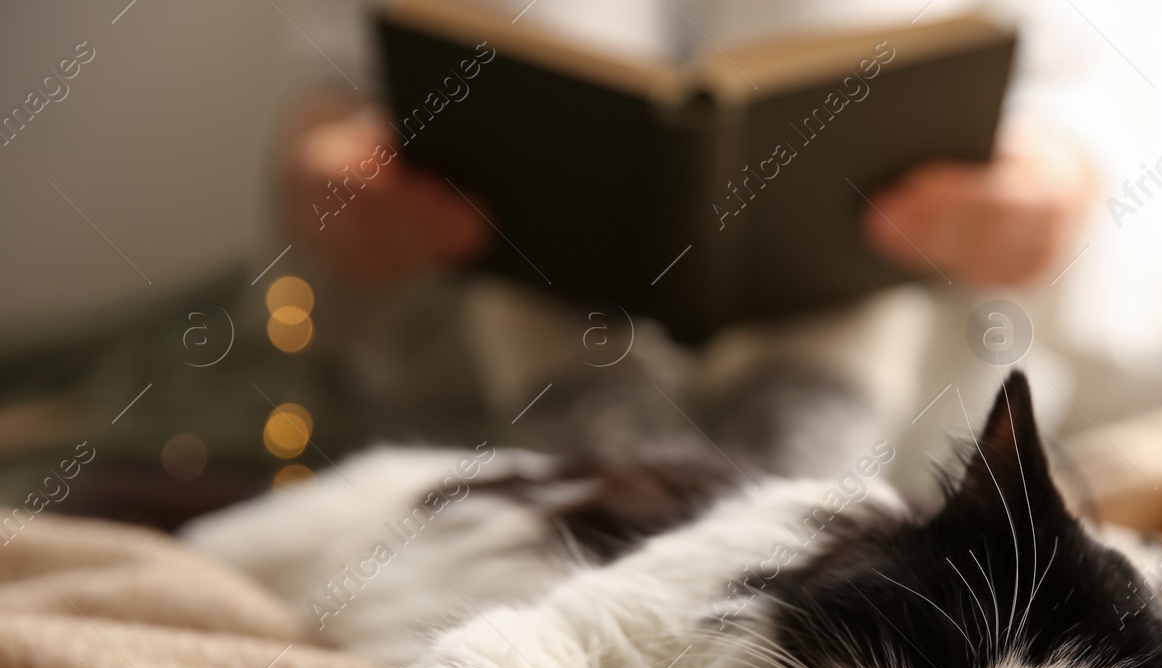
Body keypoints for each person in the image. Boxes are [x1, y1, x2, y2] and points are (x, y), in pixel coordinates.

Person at [278, 0, 1100, 488]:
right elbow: (344, 84)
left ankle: (783, 486)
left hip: (900, 396)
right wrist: (340, 180)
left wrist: (1046, 185)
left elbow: (1068, 91)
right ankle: (620, 474)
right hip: (483, 401)